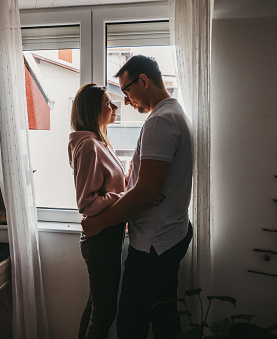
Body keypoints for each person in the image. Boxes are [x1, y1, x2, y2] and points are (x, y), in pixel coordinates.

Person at [81, 55, 193, 339]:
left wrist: (100, 223)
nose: (127, 101)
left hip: (153, 244)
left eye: (127, 90)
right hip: (171, 233)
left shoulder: (161, 121)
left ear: (144, 80)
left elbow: (147, 192)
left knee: (131, 324)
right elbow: (147, 188)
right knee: (164, 316)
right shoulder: (174, 114)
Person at [68, 84, 127, 339]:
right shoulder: (90, 146)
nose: (114, 107)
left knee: (96, 307)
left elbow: (107, 186)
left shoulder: (100, 144)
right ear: (93, 110)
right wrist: (125, 197)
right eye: (107, 103)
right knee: (104, 313)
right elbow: (87, 203)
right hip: (100, 239)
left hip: (107, 235)